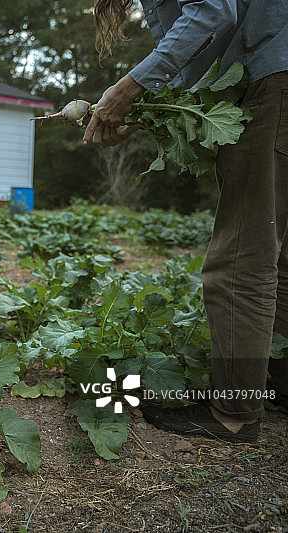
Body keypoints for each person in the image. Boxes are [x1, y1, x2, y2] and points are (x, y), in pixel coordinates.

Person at [83, 0, 288, 442]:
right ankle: (278, 385)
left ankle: (234, 412)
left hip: (273, 77)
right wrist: (138, 114)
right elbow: (202, 53)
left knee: (242, 258)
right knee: (281, 251)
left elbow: (214, 13)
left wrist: (128, 88)